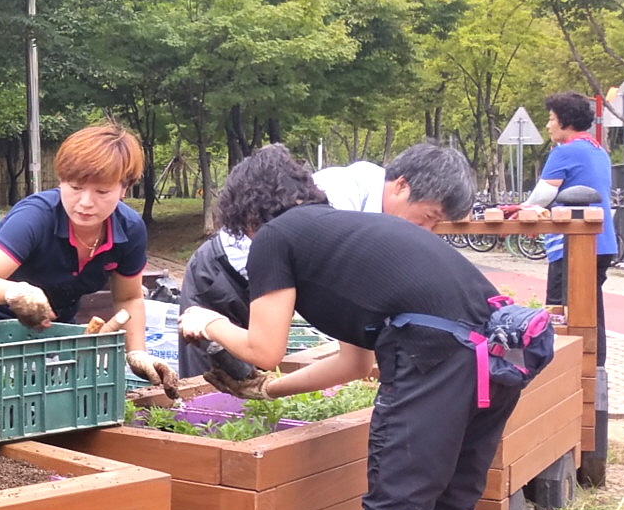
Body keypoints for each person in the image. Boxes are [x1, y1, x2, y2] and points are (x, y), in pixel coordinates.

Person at [178, 144, 520, 510]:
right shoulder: (343, 234)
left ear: (244, 208)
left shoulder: (275, 238)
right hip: (502, 355)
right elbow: (355, 363)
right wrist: (269, 394)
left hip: (439, 358)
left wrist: (205, 321)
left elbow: (265, 348)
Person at [176, 142, 475, 378]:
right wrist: (211, 321)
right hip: (221, 277)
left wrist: (271, 387)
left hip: (271, 285)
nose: (426, 232)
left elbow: (352, 356)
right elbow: (273, 347)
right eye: (428, 218)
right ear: (401, 186)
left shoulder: (372, 233)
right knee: (206, 388)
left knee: (250, 380)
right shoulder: (333, 201)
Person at [0, 123, 177, 394]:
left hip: (57, 329)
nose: (85, 202)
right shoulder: (35, 217)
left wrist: (137, 353)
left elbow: (129, 297)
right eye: (75, 187)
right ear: (61, 180)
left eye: (102, 192)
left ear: (124, 188)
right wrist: (16, 291)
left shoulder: (130, 230)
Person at [522, 92, 614, 346]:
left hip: (573, 245)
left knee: (562, 314)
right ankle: (596, 371)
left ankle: (567, 374)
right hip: (602, 242)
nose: (548, 125)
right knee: (592, 313)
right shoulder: (598, 151)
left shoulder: (565, 152)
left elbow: (541, 197)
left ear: (565, 121)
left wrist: (521, 210)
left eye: (551, 119)